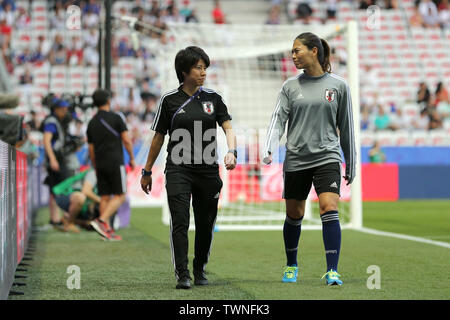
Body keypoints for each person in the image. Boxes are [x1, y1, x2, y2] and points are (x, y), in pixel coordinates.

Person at [263, 32, 356, 286]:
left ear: (314, 50)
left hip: (327, 156)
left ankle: (332, 270)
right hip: (296, 159)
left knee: (329, 207)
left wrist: (351, 161)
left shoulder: (339, 86)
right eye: (292, 52)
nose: (293, 56)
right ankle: (292, 264)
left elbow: (346, 127)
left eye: (297, 50)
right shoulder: (289, 87)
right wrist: (269, 148)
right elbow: (277, 120)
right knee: (295, 214)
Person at [140, 46, 237, 289]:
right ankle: (182, 273)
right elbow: (158, 138)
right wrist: (147, 170)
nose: (203, 72)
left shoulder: (214, 99)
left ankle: (199, 268)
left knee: (205, 223)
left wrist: (231, 151)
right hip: (178, 170)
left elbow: (228, 127)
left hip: (208, 171)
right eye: (198, 67)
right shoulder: (169, 100)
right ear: (184, 71)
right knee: (180, 221)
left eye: (205, 68)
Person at [86, 89, 135, 241]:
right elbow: (126, 140)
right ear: (108, 101)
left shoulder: (92, 122)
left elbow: (91, 148)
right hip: (115, 162)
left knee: (105, 197)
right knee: (120, 196)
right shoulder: (116, 118)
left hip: (100, 163)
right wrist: (132, 158)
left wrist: (95, 164)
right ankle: (102, 221)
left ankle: (105, 232)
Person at [42, 98, 75, 230]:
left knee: (55, 188)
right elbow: (46, 141)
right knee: (62, 187)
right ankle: (61, 219)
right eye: (62, 109)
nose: (65, 111)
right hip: (55, 158)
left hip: (57, 158)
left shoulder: (57, 121)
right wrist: (52, 159)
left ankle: (56, 219)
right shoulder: (51, 121)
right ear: (55, 109)